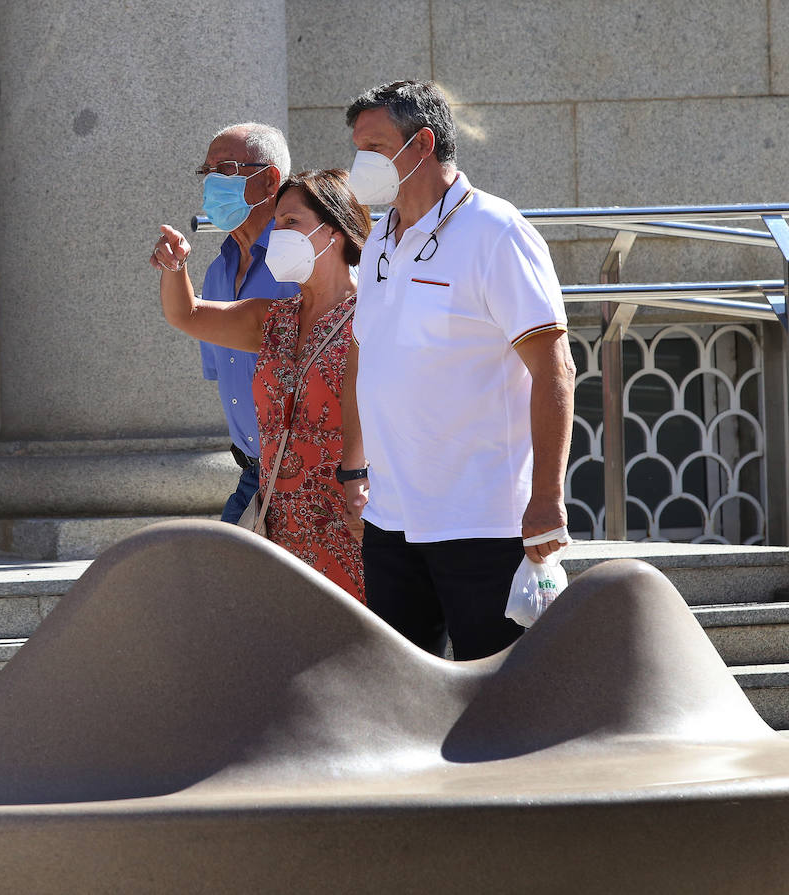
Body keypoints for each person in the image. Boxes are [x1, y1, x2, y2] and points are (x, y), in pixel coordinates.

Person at [338, 80, 576, 659]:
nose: (358, 164)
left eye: (372, 146)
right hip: (391, 519)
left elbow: (554, 369)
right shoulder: (378, 244)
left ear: (420, 144)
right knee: (401, 702)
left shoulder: (496, 231)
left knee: (502, 700)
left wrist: (546, 495)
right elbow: (365, 356)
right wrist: (354, 470)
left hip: (485, 523)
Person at [152, 169, 371, 602]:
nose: (279, 233)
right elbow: (187, 315)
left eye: (292, 222)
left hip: (355, 518)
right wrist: (175, 266)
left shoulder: (375, 315)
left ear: (337, 230)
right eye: (278, 222)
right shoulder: (272, 318)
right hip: (277, 520)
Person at [150, 123, 297, 523]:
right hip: (253, 473)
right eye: (207, 171)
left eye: (227, 169)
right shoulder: (218, 270)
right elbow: (217, 359)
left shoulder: (302, 261)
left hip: (306, 474)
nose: (213, 181)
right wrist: (174, 267)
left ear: (269, 180)